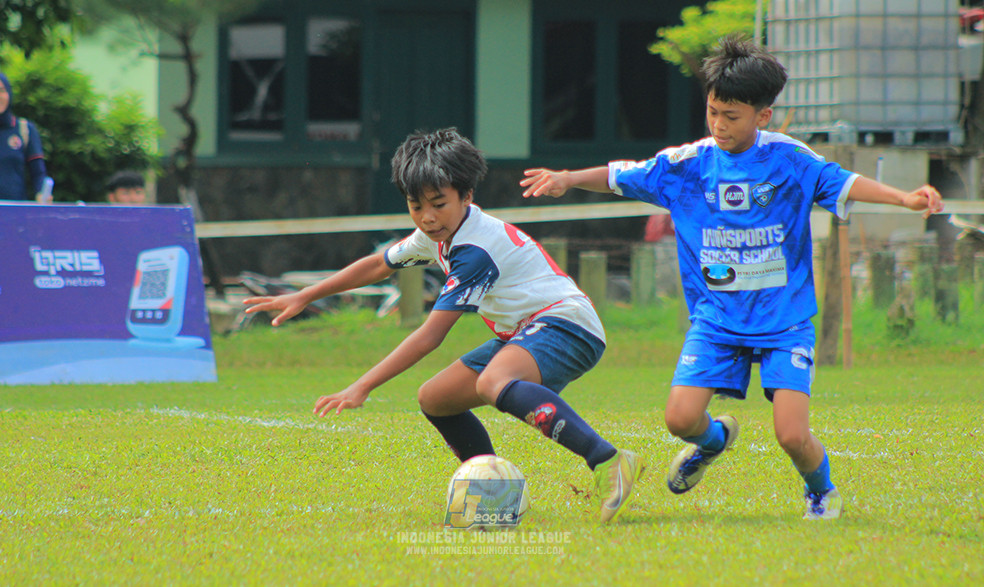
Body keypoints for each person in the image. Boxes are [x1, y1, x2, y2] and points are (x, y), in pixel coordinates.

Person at [520, 35, 944, 521]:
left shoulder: (788, 159)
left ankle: (821, 492)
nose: (719, 125)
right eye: (712, 112)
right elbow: (623, 174)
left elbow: (843, 182)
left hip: (784, 321)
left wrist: (904, 198)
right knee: (680, 418)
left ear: (763, 115)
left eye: (731, 116)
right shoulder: (689, 165)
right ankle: (714, 439)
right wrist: (569, 178)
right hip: (716, 320)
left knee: (791, 435)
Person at [243, 127, 643, 524]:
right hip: (525, 330)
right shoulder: (436, 234)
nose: (427, 217)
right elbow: (380, 264)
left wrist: (361, 386)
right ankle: (494, 490)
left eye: (438, 204)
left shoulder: (475, 251)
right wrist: (306, 295)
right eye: (416, 206)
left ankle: (608, 460)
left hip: (567, 324)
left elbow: (430, 336)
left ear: (467, 196)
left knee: (493, 382)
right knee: (435, 398)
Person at [0, 70, 51, 202]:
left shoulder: (24, 129)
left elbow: (38, 173)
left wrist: (42, 193)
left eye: (1, 90)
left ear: (9, 94)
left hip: (16, 211)